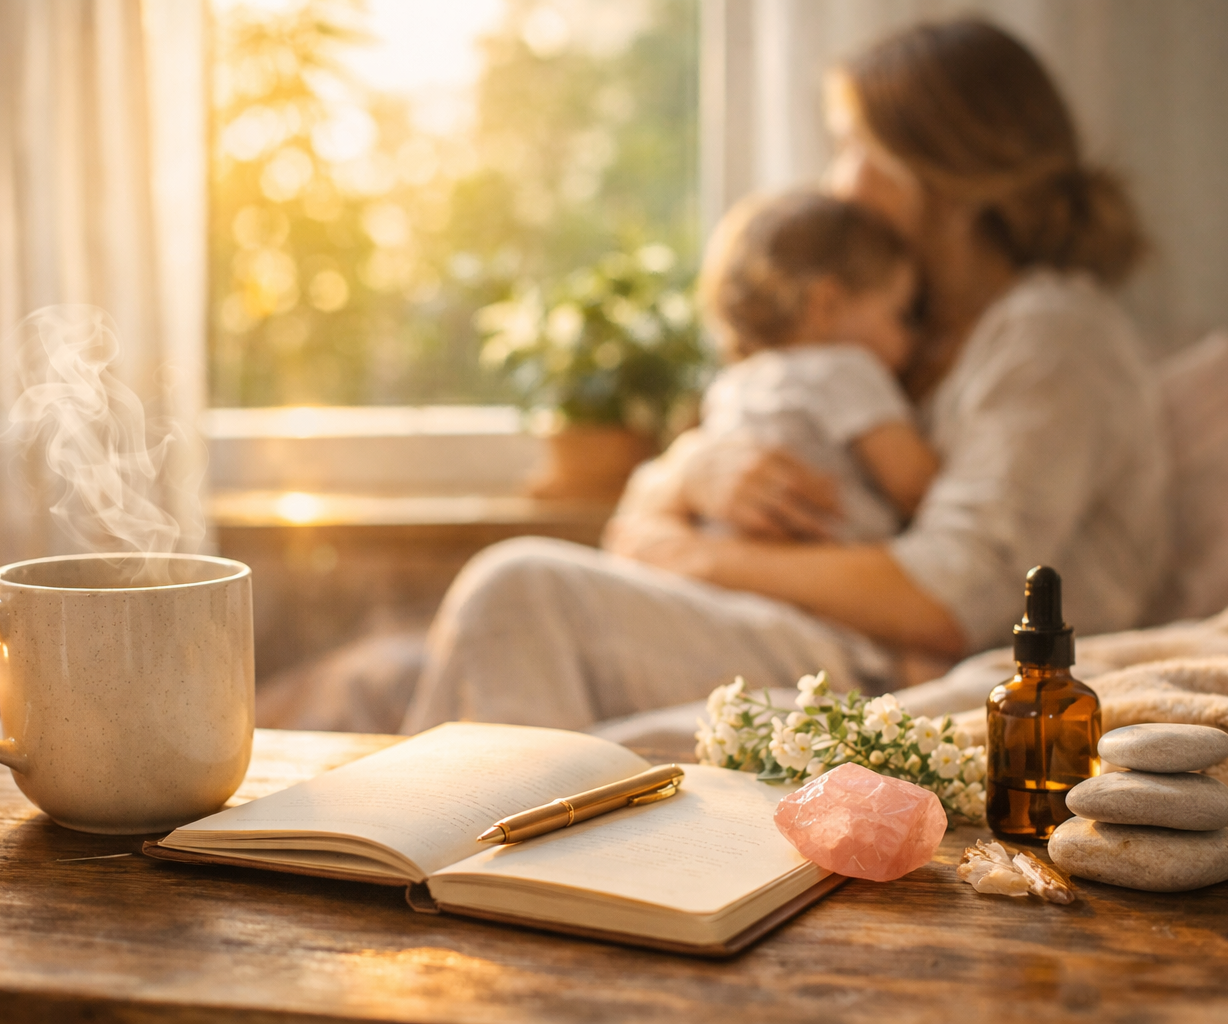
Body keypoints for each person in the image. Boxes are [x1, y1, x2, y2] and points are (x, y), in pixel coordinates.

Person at [401, 16, 1170, 734]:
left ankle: (451, 853)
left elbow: (950, 595)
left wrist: (692, 554)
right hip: (834, 635)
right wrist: (697, 476)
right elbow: (642, 518)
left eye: (855, 147)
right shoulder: (897, 336)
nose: (839, 184)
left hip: (924, 669)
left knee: (518, 593)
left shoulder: (1053, 334)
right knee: (507, 613)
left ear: (946, 174)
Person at [696, 190, 936, 545]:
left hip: (731, 560)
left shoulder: (734, 383)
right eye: (901, 315)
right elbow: (916, 487)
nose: (913, 341)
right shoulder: (845, 369)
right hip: (818, 568)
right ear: (826, 304)